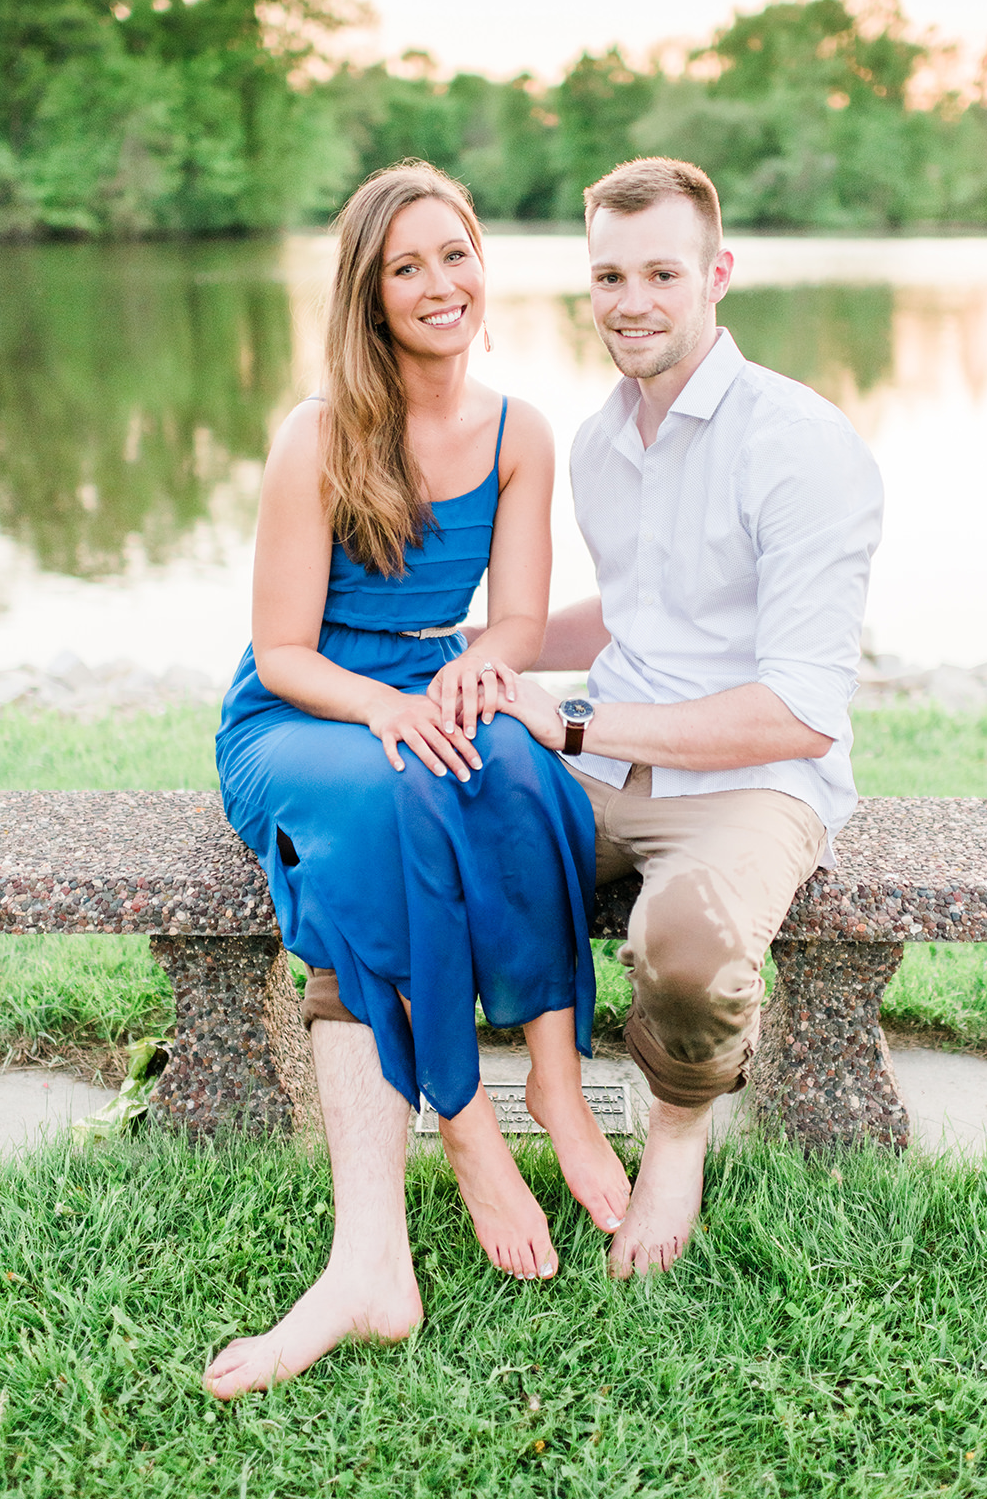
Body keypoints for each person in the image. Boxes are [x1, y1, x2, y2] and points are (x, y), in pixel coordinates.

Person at [204, 162, 629, 1399]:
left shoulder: (518, 432)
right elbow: (282, 653)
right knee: (398, 805)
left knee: (529, 778)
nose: (440, 284)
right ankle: (459, 1133)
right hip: (304, 713)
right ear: (370, 295)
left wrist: (467, 681)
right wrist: (394, 703)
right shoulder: (321, 433)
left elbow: (514, 624)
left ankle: (552, 1076)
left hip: (431, 689)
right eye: (408, 266)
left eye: (456, 254)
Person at [492, 157, 884, 1278]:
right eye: (608, 274)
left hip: (749, 783)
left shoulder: (801, 447)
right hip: (611, 750)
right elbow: (636, 609)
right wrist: (483, 654)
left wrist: (567, 724)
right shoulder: (599, 440)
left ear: (718, 273)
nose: (631, 301)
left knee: (687, 953)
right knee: (425, 816)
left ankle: (675, 1136)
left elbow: (799, 714)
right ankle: (529, 1083)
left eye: (661, 272)